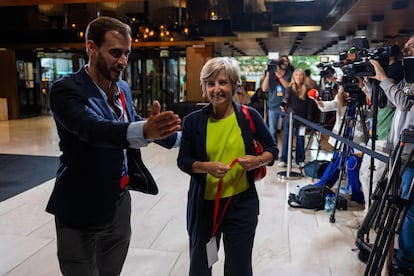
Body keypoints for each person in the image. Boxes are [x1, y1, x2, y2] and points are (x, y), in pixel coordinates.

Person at [45, 16, 181, 276]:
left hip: (118, 204)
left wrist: (176, 137)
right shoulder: (66, 90)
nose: (122, 61)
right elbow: (94, 129)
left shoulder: (123, 88)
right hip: (80, 206)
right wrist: (143, 130)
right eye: (115, 53)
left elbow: (132, 121)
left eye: (127, 54)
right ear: (91, 48)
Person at [177, 57, 277, 276]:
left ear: (234, 85)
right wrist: (205, 167)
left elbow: (272, 149)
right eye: (210, 84)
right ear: (204, 87)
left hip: (241, 205)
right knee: (200, 267)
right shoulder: (192, 121)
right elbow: (183, 160)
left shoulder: (249, 116)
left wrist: (257, 160)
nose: (216, 89)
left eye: (223, 82)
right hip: (204, 207)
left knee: (239, 268)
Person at [369, 34, 414, 275]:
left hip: (410, 154)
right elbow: (388, 102)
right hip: (400, 148)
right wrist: (372, 81)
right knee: (397, 201)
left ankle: (405, 260)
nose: (405, 47)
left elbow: (405, 104)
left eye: (411, 45)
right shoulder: (407, 75)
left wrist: (385, 78)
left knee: (408, 208)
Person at [278, 68, 317, 167]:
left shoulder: (308, 89)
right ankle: (284, 159)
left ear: (303, 77)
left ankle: (299, 160)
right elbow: (285, 98)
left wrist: (308, 120)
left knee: (300, 138)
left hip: (302, 119)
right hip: (289, 118)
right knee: (287, 137)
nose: (298, 77)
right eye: (296, 75)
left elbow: (309, 106)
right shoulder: (290, 88)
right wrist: (283, 104)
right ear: (294, 77)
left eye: (300, 75)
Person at [261, 56, 293, 159]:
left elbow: (289, 86)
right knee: (272, 131)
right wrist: (268, 75)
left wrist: (279, 76)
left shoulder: (290, 74)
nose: (285, 62)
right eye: (283, 61)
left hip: (287, 106)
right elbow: (264, 89)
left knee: (287, 131)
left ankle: (285, 156)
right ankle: (273, 154)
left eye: (287, 61)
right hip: (273, 106)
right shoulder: (271, 74)